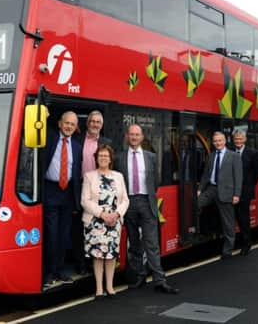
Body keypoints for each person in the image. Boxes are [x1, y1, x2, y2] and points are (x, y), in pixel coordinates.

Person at [115, 124, 179, 294]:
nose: (134, 137)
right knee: (134, 243)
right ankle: (140, 277)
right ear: (127, 137)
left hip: (147, 202)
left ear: (142, 137)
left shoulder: (151, 157)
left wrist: (148, 196)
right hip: (128, 203)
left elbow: (156, 180)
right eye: (132, 134)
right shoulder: (119, 158)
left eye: (137, 134)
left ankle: (160, 280)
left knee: (152, 243)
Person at [81, 144, 129, 299]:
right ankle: (99, 289)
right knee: (98, 256)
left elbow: (125, 200)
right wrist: (102, 214)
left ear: (110, 159)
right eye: (100, 155)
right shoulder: (89, 176)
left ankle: (110, 286)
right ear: (96, 158)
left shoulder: (118, 176)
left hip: (114, 221)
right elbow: (85, 201)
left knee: (111, 256)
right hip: (96, 221)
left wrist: (116, 214)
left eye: (106, 156)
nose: (103, 158)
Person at [43, 111, 83, 287]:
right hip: (50, 191)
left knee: (63, 234)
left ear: (76, 128)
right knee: (51, 234)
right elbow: (37, 129)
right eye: (66, 123)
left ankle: (59, 270)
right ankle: (49, 272)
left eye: (72, 125)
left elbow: (76, 173)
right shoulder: (50, 138)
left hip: (68, 194)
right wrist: (41, 114)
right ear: (60, 123)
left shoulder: (76, 146)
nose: (69, 127)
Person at [73, 110, 113, 274]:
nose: (95, 124)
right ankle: (80, 264)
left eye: (98, 122)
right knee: (78, 228)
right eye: (92, 121)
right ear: (87, 123)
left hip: (99, 190)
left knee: (96, 229)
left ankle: (93, 263)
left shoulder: (107, 142)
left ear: (101, 125)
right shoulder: (77, 140)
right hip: (79, 188)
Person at [198, 131, 243, 259]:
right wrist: (200, 189)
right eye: (215, 141)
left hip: (227, 192)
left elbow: (238, 177)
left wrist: (236, 195)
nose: (217, 143)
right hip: (211, 189)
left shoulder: (234, 156)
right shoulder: (211, 156)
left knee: (228, 222)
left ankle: (227, 251)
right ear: (213, 143)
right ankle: (202, 233)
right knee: (196, 204)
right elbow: (206, 175)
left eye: (220, 140)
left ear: (225, 141)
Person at [232, 129, 258, 256]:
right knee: (232, 218)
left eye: (240, 139)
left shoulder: (253, 153)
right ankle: (234, 242)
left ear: (244, 140)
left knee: (243, 218)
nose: (238, 141)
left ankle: (246, 243)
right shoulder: (230, 152)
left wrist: (249, 186)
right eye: (236, 139)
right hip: (231, 191)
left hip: (245, 191)